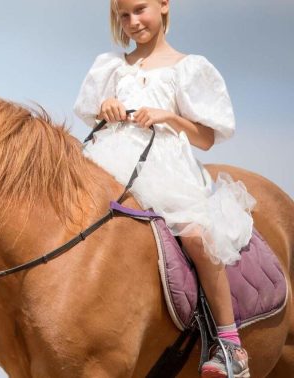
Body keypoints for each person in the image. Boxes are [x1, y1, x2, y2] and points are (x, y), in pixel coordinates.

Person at [74, 1, 256, 377]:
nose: (132, 22)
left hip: (163, 167)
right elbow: (94, 114)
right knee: (65, 222)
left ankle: (229, 344)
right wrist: (106, 106)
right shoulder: (111, 66)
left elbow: (206, 139)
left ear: (163, 5)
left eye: (139, 10)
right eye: (123, 16)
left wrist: (168, 116)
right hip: (109, 160)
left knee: (197, 237)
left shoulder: (187, 68)